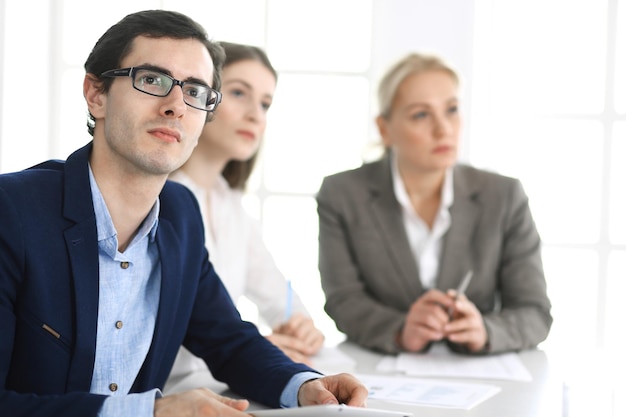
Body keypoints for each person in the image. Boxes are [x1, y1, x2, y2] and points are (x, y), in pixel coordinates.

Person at [0, 10, 367, 417]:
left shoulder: (180, 215)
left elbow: (228, 339)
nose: (176, 106)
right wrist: (151, 413)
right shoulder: (11, 211)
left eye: (195, 91)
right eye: (152, 80)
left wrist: (305, 384)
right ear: (96, 94)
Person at [316, 52, 552, 355]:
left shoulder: (504, 196)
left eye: (451, 110)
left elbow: (534, 311)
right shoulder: (342, 194)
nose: (444, 129)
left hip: (478, 374)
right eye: (421, 115)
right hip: (379, 371)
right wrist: (400, 330)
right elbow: (344, 300)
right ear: (385, 129)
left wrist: (485, 331)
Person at [168, 42, 324, 383]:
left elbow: (277, 293)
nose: (256, 114)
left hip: (213, 384)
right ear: (200, 96)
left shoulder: (231, 203)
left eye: (266, 103)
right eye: (239, 93)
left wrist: (300, 324)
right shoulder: (160, 199)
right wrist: (251, 351)